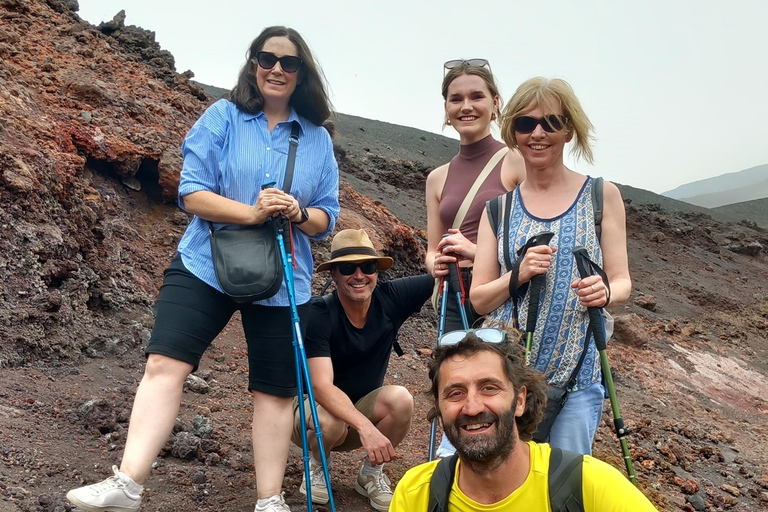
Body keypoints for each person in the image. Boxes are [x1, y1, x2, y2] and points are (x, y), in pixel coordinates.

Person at [66, 26, 339, 512]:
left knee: (274, 393)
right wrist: (252, 212)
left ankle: (269, 501)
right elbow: (191, 191)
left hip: (284, 278)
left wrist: (297, 210)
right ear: (253, 63)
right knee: (164, 363)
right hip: (205, 263)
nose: (276, 68)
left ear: (302, 74)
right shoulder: (223, 116)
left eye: (289, 62)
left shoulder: (317, 140)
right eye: (266, 57)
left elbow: (326, 218)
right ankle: (127, 485)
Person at [470, 77, 631, 455]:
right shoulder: (498, 210)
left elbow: (622, 281)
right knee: (506, 476)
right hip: (509, 375)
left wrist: (606, 292)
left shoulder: (601, 196)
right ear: (513, 132)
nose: (537, 133)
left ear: (569, 129)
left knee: (563, 480)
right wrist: (519, 273)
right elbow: (479, 300)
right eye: (525, 124)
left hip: (579, 373)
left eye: (551, 123)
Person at [389, 331, 658, 512]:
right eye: (455, 393)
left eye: (489, 388)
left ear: (519, 401)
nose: (472, 407)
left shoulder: (590, 486)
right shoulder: (417, 494)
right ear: (439, 407)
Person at [291, 228, 432, 511]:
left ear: (377, 271)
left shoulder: (390, 298)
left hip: (359, 410)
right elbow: (320, 387)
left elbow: (443, 277)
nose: (359, 276)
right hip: (313, 414)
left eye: (367, 266)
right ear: (333, 275)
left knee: (401, 399)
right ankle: (318, 466)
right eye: (347, 268)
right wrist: (366, 427)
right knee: (330, 422)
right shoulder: (319, 313)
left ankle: (369, 475)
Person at [425, 58, 525, 458]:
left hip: (504, 299)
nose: (466, 106)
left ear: (496, 103)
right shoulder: (437, 177)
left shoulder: (516, 161)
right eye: (456, 99)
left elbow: (534, 237)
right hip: (454, 300)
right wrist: (432, 261)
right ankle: (454, 479)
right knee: (459, 392)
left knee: (504, 393)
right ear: (447, 110)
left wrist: (480, 252)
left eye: (476, 96)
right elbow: (431, 247)